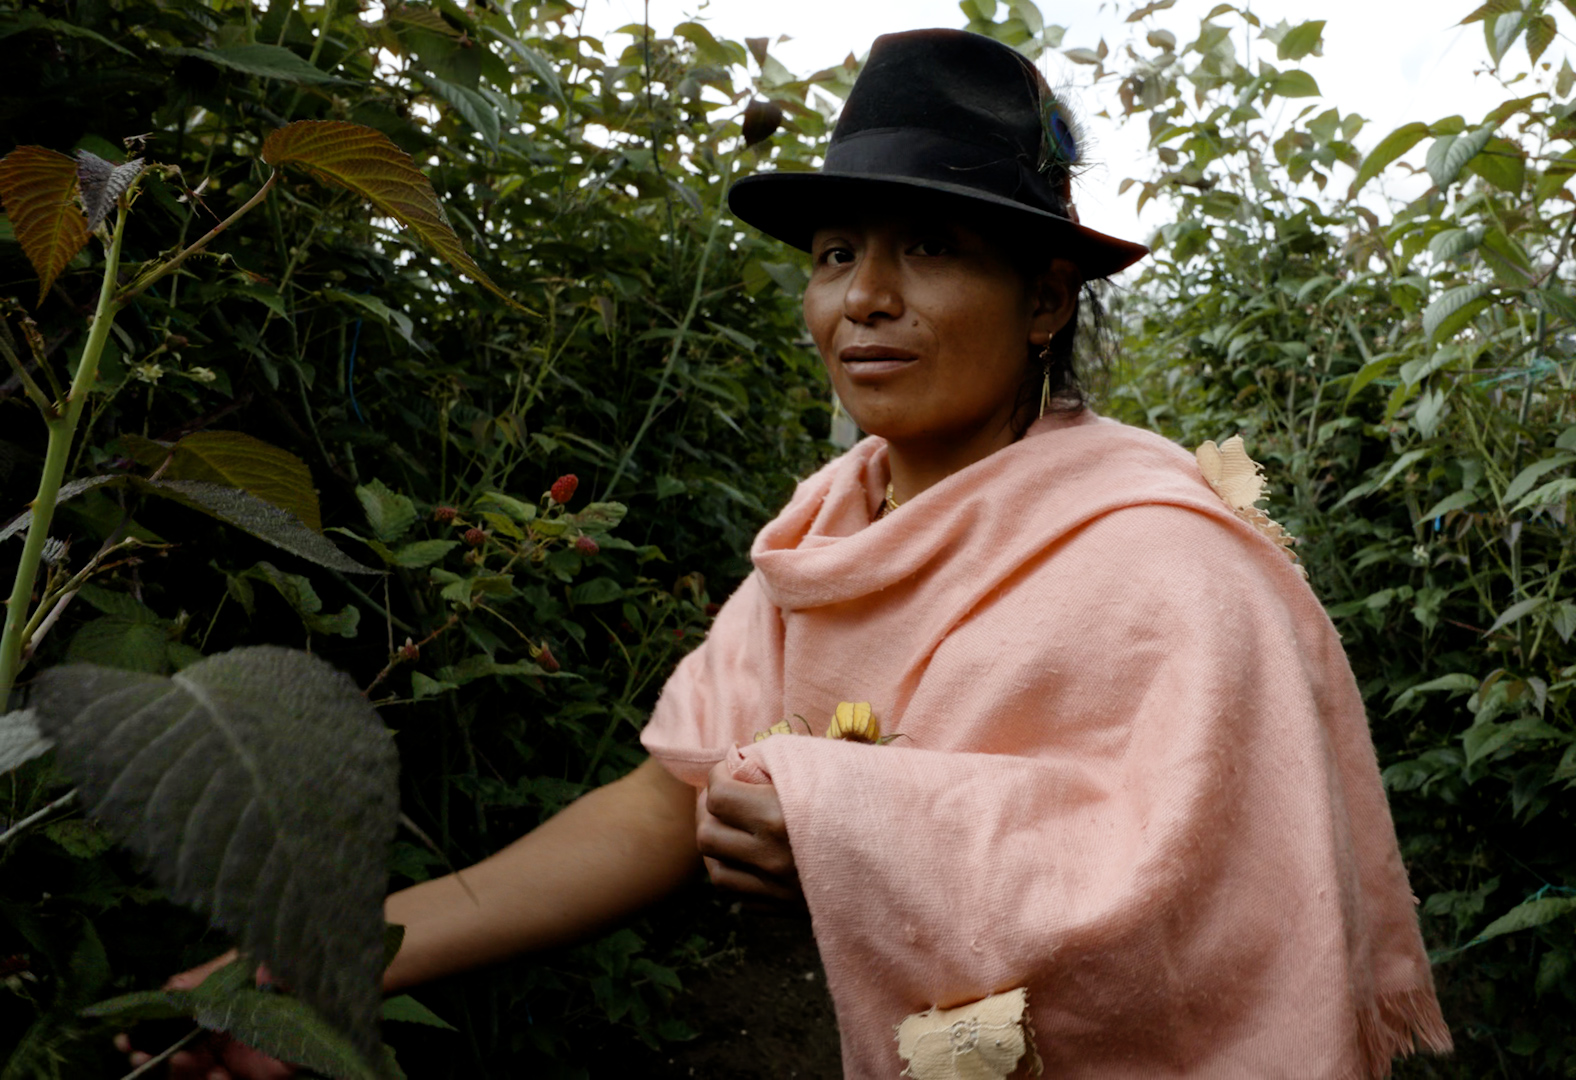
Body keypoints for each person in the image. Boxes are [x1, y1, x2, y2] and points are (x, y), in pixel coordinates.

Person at [137, 28, 1448, 1079]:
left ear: (1046, 297)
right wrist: (319, 958)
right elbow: (668, 801)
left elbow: (1217, 903)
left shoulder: (1165, 563)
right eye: (835, 255)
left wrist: (853, 823)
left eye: (929, 247)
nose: (863, 297)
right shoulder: (828, 534)